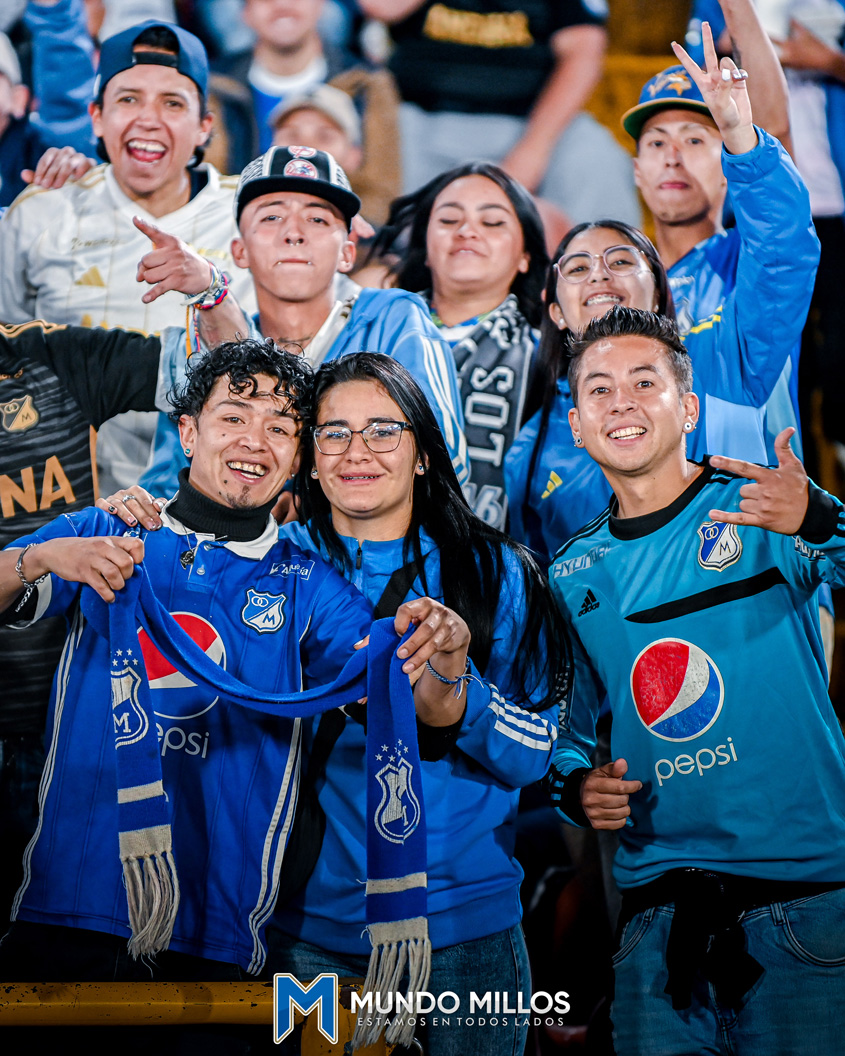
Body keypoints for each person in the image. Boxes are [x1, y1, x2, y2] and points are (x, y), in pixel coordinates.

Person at [0, 338, 471, 999]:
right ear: (188, 432)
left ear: (299, 457)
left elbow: (419, 707)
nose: (255, 441)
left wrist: (446, 653)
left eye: (280, 428)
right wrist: (43, 558)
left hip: (215, 935)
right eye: (233, 417)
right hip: (66, 907)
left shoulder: (312, 588)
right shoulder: (107, 531)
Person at [546, 305, 845, 1055]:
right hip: (656, 922)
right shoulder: (569, 572)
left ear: (687, 409)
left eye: (643, 382)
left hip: (810, 903)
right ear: (576, 426)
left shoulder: (761, 504)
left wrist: (819, 517)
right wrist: (576, 786)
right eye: (599, 389)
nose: (620, 402)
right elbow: (562, 726)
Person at [271, 353, 568, 1055]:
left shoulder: (498, 571)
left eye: (383, 429)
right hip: (307, 931)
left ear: (424, 453)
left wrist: (459, 698)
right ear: (309, 458)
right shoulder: (268, 567)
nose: (357, 452)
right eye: (333, 433)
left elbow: (537, 753)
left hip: (465, 928)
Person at [507, 34, 819, 563]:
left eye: (621, 262)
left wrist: (740, 136)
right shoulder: (531, 446)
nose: (599, 276)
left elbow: (783, 250)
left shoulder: (720, 355)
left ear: (659, 294)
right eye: (577, 268)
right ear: (554, 309)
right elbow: (536, 582)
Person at [0, 19, 257, 494]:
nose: (149, 119)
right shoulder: (41, 214)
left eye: (172, 103)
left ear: (204, 127)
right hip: (68, 507)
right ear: (97, 117)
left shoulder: (254, 216)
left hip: (215, 505)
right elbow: (8, 355)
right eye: (128, 99)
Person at [142, 144, 469, 498]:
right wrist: (134, 506)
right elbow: (168, 485)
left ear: (347, 253)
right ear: (240, 251)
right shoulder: (209, 343)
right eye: (271, 217)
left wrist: (310, 503)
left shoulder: (395, 319)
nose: (294, 232)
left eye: (317, 219)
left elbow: (447, 459)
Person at [0, 319, 175, 926]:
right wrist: (38, 556)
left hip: (60, 730)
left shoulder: (47, 354)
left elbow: (210, 379)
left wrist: (211, 290)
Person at [370, 163, 548, 529]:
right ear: (425, 248)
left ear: (525, 256)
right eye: (450, 220)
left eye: (492, 222)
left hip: (500, 555)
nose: (467, 231)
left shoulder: (551, 358)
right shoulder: (372, 330)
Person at [360, 0, 641, 227]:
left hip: (532, 123)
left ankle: (606, 270)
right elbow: (381, 6)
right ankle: (392, 269)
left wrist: (532, 152)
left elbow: (583, 54)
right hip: (419, 120)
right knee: (372, 148)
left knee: (595, 155)